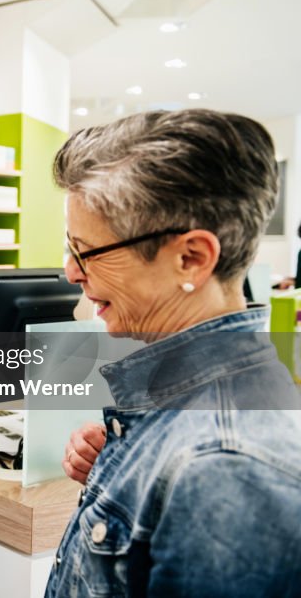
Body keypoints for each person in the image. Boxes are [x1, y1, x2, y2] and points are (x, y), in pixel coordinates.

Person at [49, 109, 301, 596]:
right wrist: (134, 469)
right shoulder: (186, 424)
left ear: (191, 258)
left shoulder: (224, 467)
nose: (71, 273)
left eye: (86, 252)